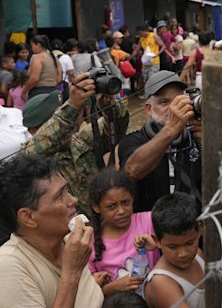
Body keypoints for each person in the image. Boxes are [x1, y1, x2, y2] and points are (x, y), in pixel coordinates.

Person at [0, 154, 104, 308]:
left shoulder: (70, 241)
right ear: (28, 217)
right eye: (59, 196)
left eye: (66, 190)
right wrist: (71, 272)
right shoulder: (10, 266)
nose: (73, 200)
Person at [21, 73, 129, 213]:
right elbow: (35, 150)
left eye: (69, 116)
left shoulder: (80, 140)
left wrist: (110, 107)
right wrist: (71, 106)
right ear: (34, 130)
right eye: (60, 119)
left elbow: (116, 129)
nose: (69, 125)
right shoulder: (29, 155)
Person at [118, 70, 202, 212]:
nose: (173, 108)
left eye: (178, 101)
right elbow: (132, 171)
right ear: (149, 109)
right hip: (149, 230)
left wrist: (209, 141)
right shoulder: (133, 140)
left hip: (193, 228)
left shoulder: (196, 137)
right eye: (164, 102)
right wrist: (171, 129)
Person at [88, 167, 159, 296]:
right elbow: (89, 294)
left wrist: (158, 244)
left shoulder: (149, 221)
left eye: (125, 202)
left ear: (132, 198)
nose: (121, 211)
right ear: (96, 207)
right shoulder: (90, 242)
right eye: (111, 206)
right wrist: (113, 287)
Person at [140, 192, 205, 308]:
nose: (183, 254)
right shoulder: (161, 282)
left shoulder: (199, 256)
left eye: (190, 243)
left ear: (200, 230)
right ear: (156, 241)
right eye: (172, 247)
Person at [23, 35, 62, 100]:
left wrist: (24, 91)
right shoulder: (53, 57)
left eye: (32, 46)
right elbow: (59, 78)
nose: (31, 49)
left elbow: (34, 78)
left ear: (38, 45)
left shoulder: (37, 57)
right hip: (54, 91)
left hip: (40, 92)